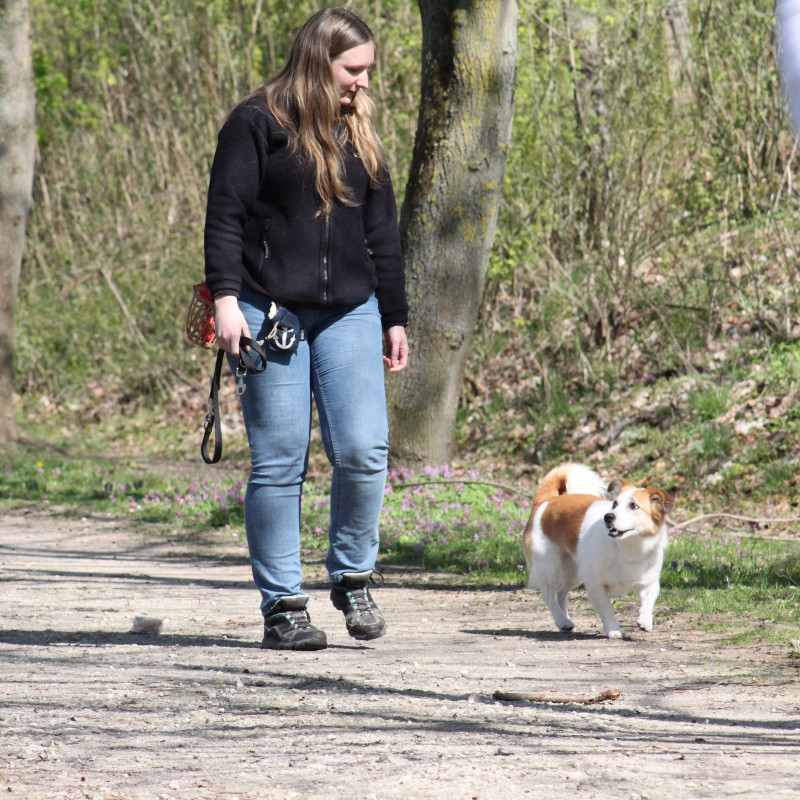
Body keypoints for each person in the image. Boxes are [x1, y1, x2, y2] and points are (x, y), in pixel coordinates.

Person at [204, 7, 408, 651]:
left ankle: (352, 576)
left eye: (368, 70)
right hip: (269, 312)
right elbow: (226, 217)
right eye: (355, 70)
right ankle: (284, 603)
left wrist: (395, 316)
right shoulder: (255, 123)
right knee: (279, 460)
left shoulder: (360, 134)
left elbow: (383, 235)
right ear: (321, 63)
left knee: (364, 450)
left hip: (352, 310)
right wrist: (226, 300)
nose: (364, 83)